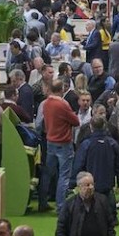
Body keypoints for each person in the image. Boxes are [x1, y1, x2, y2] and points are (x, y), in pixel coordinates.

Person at [56, 172, 116, 236]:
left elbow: (110, 226)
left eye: (92, 184)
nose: (91, 187)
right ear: (79, 187)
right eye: (87, 185)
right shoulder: (69, 204)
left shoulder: (103, 201)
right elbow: (61, 229)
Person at [42, 79, 81, 214]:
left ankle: (42, 201)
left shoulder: (46, 103)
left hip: (50, 141)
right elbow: (76, 121)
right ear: (62, 89)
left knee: (47, 173)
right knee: (64, 176)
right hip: (63, 142)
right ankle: (61, 206)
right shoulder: (63, 104)